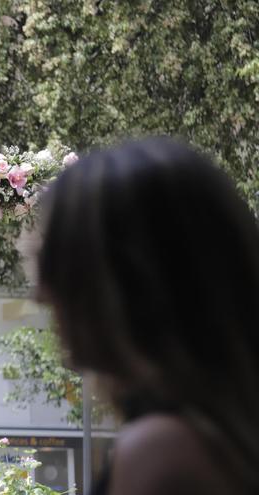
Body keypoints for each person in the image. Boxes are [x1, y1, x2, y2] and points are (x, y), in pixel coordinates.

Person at [36, 138, 259, 494]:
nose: (41, 293)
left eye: (60, 264)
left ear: (131, 283)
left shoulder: (160, 453)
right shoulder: (219, 436)